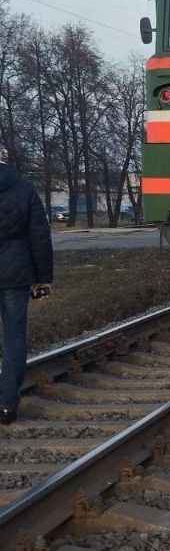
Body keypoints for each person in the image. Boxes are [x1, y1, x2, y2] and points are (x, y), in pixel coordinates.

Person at [0, 156, 53, 425]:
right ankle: (7, 405)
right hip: (16, 274)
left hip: (14, 273)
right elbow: (39, 235)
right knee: (14, 339)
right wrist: (43, 278)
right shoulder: (23, 189)